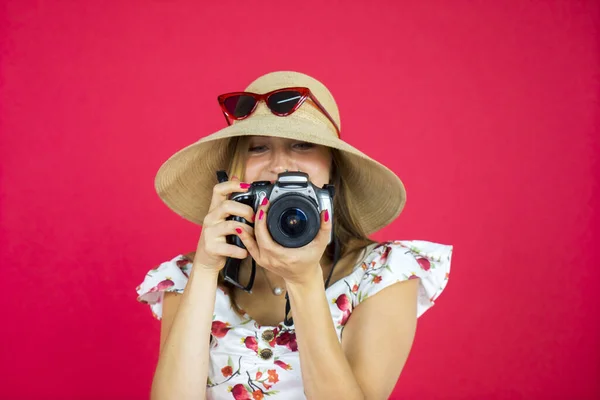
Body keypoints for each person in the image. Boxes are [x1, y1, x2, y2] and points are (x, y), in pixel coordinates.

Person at [135, 71, 453, 400]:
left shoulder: (383, 272)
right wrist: (204, 270)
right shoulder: (188, 276)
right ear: (234, 173)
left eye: (302, 145)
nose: (281, 165)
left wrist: (304, 283)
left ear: (334, 166)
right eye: (258, 148)